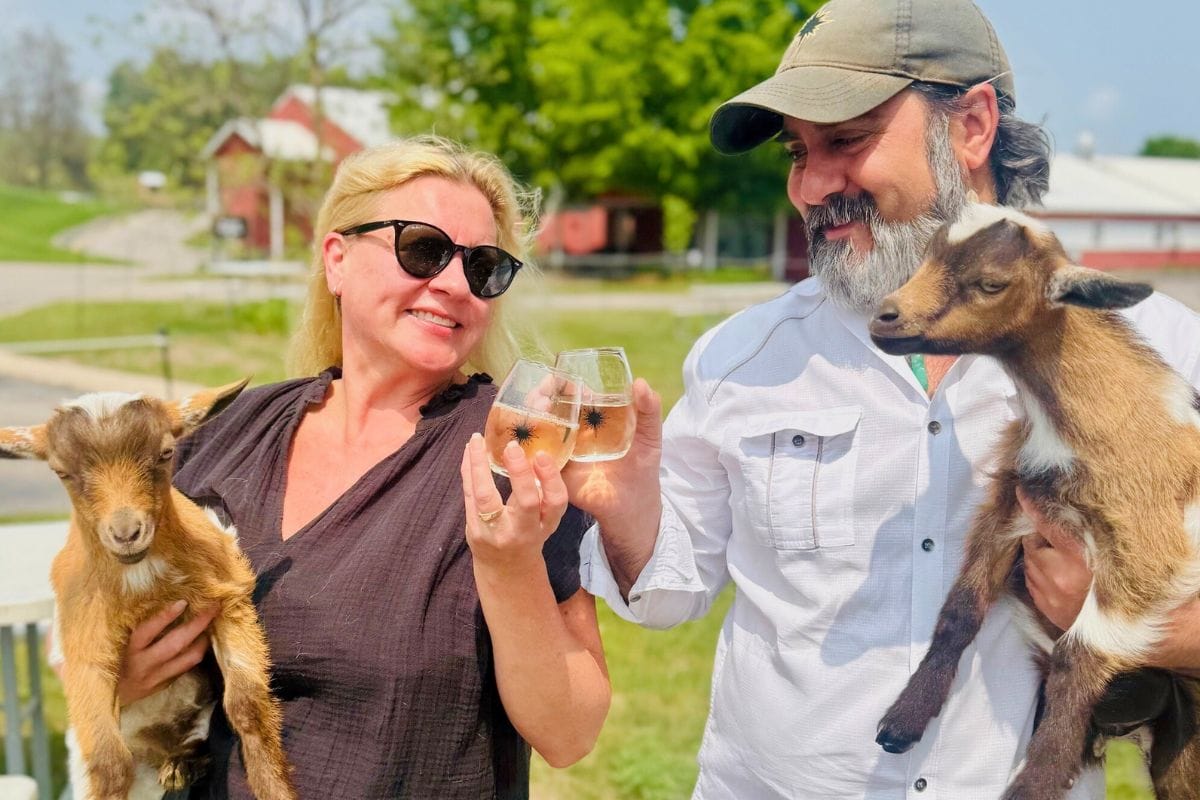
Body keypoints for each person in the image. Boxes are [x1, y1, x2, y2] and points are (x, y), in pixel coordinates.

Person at [564, 0, 1200, 797]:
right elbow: (668, 590)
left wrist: (1163, 633)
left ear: (971, 126)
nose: (812, 185)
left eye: (847, 140)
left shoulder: (1164, 355)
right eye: (796, 152)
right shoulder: (742, 358)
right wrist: (626, 511)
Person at [102, 136, 610, 798]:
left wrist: (509, 566)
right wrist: (122, 679)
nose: (454, 284)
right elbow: (103, 634)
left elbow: (571, 733)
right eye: (422, 248)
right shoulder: (228, 433)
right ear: (337, 259)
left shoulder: (512, 448)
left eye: (483, 266)